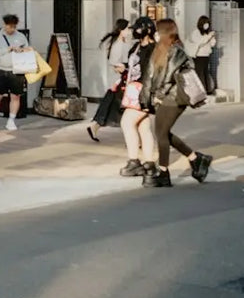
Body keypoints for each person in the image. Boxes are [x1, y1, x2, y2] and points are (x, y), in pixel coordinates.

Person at [139, 18, 213, 187]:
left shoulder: (176, 51)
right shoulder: (160, 49)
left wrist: (158, 95)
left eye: (158, 31)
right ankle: (196, 159)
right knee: (163, 133)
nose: (155, 34)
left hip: (174, 97)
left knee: (161, 134)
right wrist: (146, 98)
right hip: (165, 97)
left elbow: (168, 77)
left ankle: (164, 173)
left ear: (165, 33)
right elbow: (151, 75)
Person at [119, 17, 157, 179]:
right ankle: (149, 163)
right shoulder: (135, 47)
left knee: (127, 123)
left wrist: (148, 95)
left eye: (138, 28)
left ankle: (134, 162)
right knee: (143, 127)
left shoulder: (154, 50)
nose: (135, 31)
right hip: (133, 90)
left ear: (147, 30)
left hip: (145, 92)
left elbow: (152, 74)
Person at [0, 13, 30, 133]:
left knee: (15, 96)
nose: (12, 29)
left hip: (17, 70)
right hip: (2, 70)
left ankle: (11, 120)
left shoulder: (21, 36)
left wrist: (21, 50)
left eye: (14, 26)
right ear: (4, 25)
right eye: (10, 26)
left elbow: (28, 50)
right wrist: (7, 49)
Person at [86, 19, 131, 143]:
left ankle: (95, 125)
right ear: (121, 30)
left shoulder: (120, 42)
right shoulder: (118, 44)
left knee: (110, 106)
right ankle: (135, 138)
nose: (129, 31)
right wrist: (121, 68)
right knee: (128, 109)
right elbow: (114, 63)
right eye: (127, 28)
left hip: (119, 81)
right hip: (119, 81)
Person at [185, 15, 217, 97]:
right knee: (200, 73)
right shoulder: (196, 32)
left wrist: (212, 37)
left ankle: (206, 90)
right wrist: (208, 37)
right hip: (199, 55)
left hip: (206, 55)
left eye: (208, 23)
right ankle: (201, 91)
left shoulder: (207, 33)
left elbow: (212, 44)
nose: (207, 25)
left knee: (205, 73)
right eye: (205, 23)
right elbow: (200, 42)